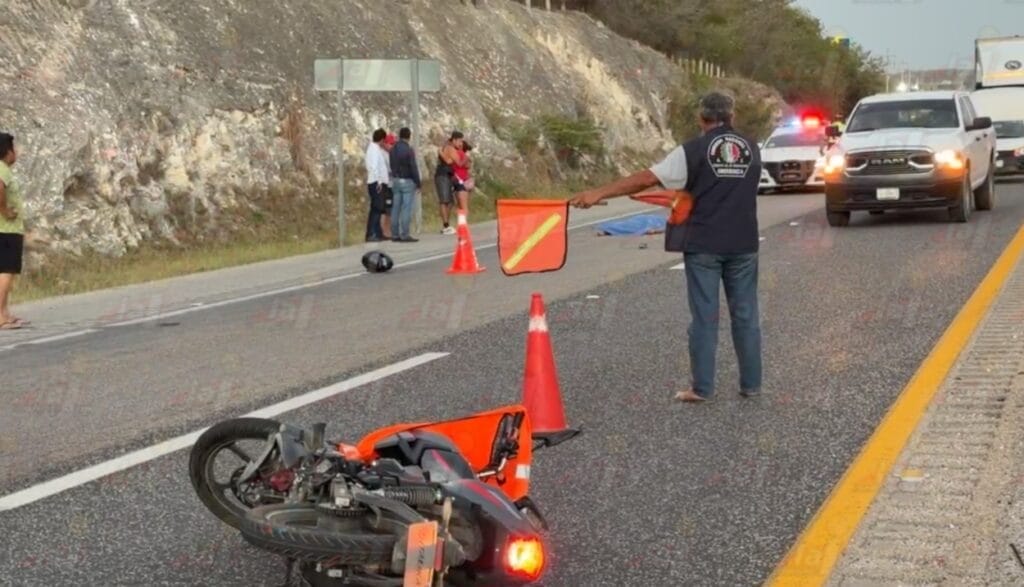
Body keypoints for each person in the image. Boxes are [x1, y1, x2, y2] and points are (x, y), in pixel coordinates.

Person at [569, 91, 763, 402]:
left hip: (704, 246)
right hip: (744, 243)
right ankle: (751, 385)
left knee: (705, 316)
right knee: (746, 314)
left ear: (702, 119)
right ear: (732, 117)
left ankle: (702, 388)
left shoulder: (692, 150)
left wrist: (598, 192)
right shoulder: (752, 148)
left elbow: (647, 178)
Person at [0, 132, 28, 330]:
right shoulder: (2, 170)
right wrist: (4, 209)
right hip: (6, 230)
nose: (16, 153)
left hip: (8, 230)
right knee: (7, 272)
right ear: (7, 151)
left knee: (4, 272)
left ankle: (4, 312)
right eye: (14, 149)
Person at [388, 127, 421, 242]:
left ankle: (395, 234)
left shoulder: (393, 149)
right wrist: (418, 182)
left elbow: (391, 165)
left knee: (395, 207)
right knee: (406, 208)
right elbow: (413, 166)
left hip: (396, 180)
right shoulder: (408, 149)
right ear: (409, 136)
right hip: (407, 180)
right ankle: (405, 234)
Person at [364, 128, 391, 242]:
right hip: (376, 182)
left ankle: (378, 232)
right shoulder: (374, 150)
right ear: (381, 139)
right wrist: (379, 181)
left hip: (377, 181)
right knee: (376, 208)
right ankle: (371, 233)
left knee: (379, 208)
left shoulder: (374, 148)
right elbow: (374, 167)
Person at [434, 132, 462, 235]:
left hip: (447, 176)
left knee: (450, 202)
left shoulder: (448, 148)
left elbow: (451, 160)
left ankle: (446, 223)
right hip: (443, 175)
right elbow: (455, 161)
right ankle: (446, 225)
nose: (460, 143)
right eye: (459, 141)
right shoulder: (450, 148)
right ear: (454, 140)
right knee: (445, 201)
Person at [380, 133, 398, 239]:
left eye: (394, 144)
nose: (392, 146)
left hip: (390, 184)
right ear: (385, 144)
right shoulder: (382, 154)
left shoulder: (390, 154)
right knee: (386, 209)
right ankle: (384, 231)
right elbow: (389, 170)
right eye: (391, 144)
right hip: (385, 185)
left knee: (390, 210)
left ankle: (387, 231)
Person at [451, 137, 472, 214]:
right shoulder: (462, 154)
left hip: (458, 179)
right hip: (462, 180)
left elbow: (466, 165)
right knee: (464, 205)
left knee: (460, 205)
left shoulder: (456, 153)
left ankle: (462, 223)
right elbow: (467, 165)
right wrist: (466, 158)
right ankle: (463, 223)